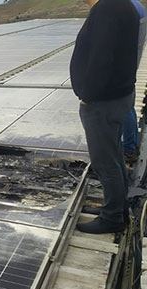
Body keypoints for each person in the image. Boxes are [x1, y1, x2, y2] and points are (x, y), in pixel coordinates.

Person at [70, 0, 139, 234]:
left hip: (103, 101)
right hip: (119, 96)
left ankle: (112, 219)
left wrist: (88, 96)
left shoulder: (106, 9)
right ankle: (117, 208)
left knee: (105, 162)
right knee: (114, 155)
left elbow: (101, 57)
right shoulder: (123, 4)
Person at [121, 0, 147, 163]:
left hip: (122, 70)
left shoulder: (123, 8)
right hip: (130, 67)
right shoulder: (136, 6)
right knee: (128, 106)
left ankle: (128, 149)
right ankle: (130, 147)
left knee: (124, 108)